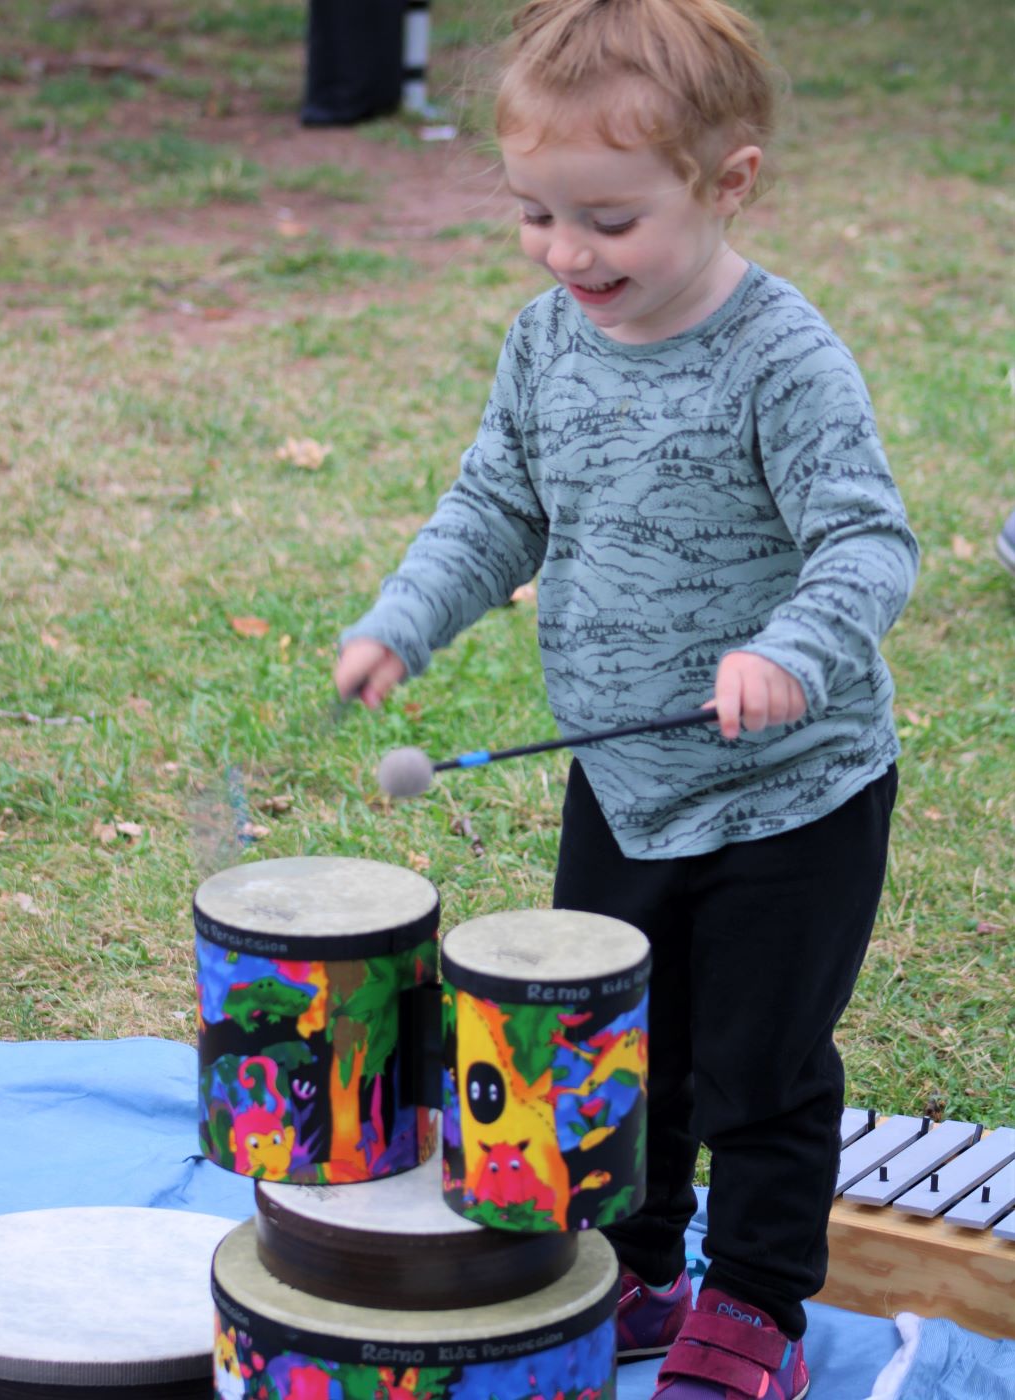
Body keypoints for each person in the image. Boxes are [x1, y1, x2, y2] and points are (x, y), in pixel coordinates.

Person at [334, 2, 919, 1396]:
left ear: (728, 182)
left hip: (794, 794)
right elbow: (495, 505)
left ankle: (756, 1306)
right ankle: (642, 1261)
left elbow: (868, 540)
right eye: (534, 214)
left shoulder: (781, 354)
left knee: (758, 1070)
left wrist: (791, 647)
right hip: (626, 777)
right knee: (613, 1039)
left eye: (605, 219)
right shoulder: (546, 341)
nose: (563, 253)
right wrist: (403, 622)